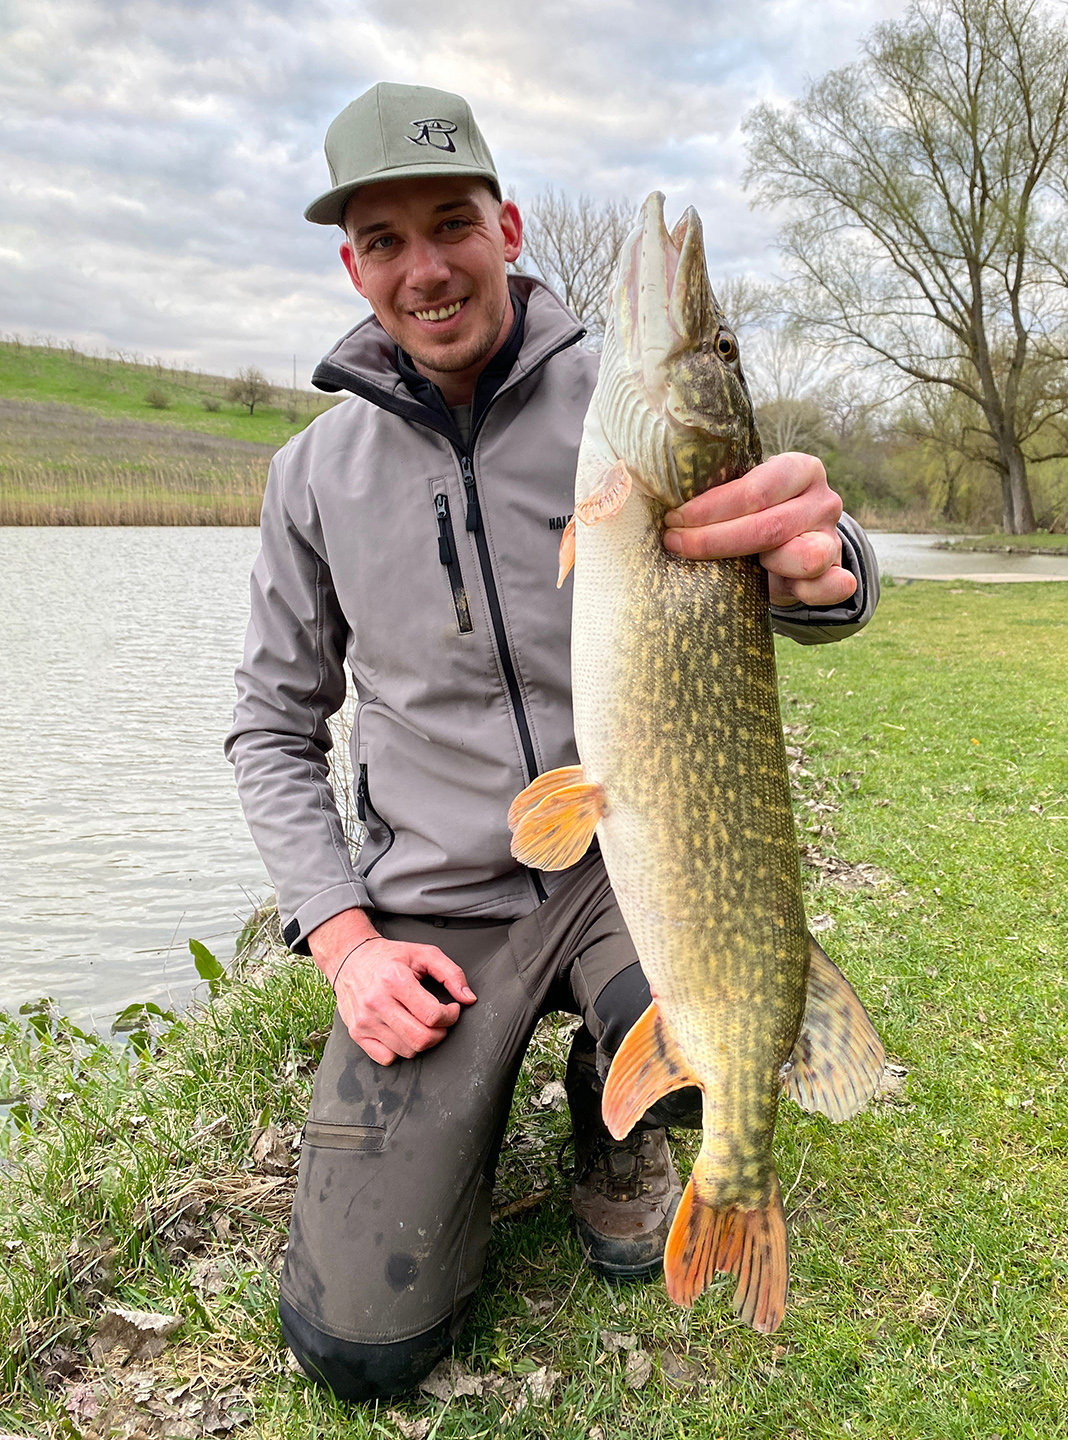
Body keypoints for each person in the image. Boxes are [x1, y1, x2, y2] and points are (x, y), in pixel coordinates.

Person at [226, 82, 879, 1402]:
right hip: (441, 900)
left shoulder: (625, 411)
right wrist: (345, 942)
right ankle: (467, 1125)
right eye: (385, 239)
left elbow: (787, 545)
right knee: (364, 1348)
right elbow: (268, 726)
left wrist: (831, 568)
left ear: (507, 224)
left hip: (627, 872)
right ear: (352, 265)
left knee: (717, 1020)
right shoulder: (311, 476)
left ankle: (618, 1108)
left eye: (451, 222)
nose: (425, 267)